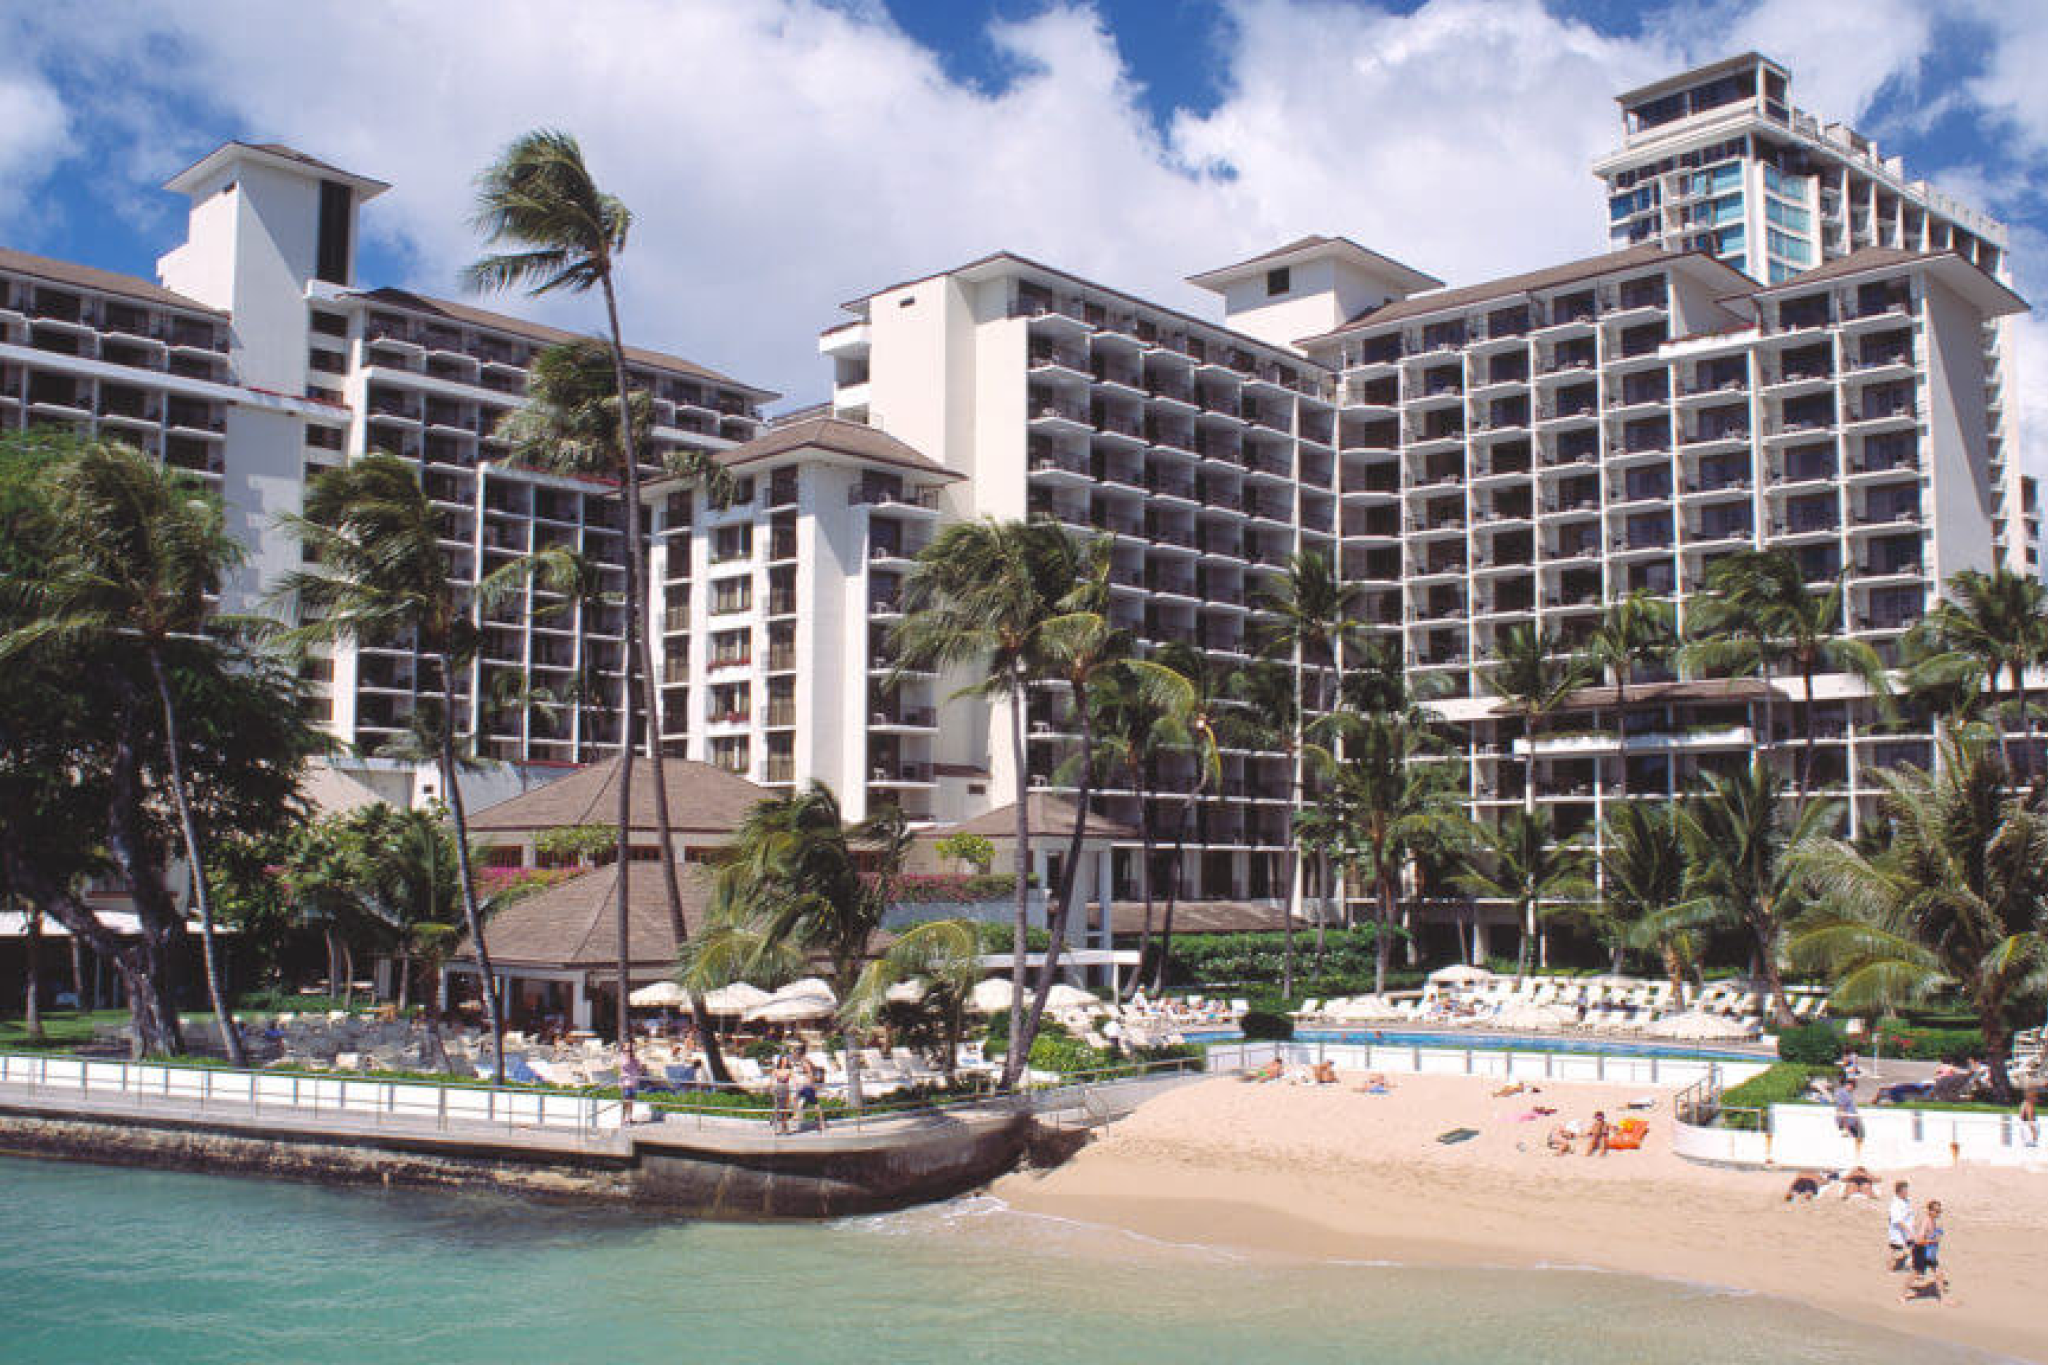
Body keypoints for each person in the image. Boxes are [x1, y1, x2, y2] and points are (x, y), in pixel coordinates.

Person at [1901, 1200, 1946, 1304]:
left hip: (1929, 1251)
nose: (1938, 1213)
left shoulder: (1933, 1221)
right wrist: (1932, 1240)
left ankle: (1943, 1299)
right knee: (1915, 1274)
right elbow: (1918, 1240)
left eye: (1939, 1211)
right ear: (1930, 1211)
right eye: (1936, 1211)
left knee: (1938, 1273)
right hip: (1920, 1250)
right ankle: (1902, 1296)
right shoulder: (1926, 1222)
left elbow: (1931, 1235)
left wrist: (1937, 1234)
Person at [1887, 1181, 1915, 1272]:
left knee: (1913, 1248)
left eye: (1907, 1190)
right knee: (1895, 1251)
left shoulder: (1907, 1200)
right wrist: (1909, 1231)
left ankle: (1910, 1268)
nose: (1907, 1192)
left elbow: (1909, 1214)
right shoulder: (1895, 1204)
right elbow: (1897, 1220)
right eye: (1905, 1191)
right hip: (1898, 1232)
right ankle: (1890, 1270)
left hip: (1907, 1231)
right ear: (1899, 1192)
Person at [768, 1054, 795, 1134]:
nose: (784, 1061)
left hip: (786, 1089)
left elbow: (794, 1079)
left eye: (786, 1060)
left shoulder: (789, 1070)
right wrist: (771, 1088)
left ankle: (785, 1128)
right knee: (777, 1107)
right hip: (778, 1089)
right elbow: (772, 1079)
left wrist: (796, 1088)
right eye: (783, 1060)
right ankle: (776, 1126)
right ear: (780, 1061)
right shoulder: (776, 1070)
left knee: (785, 1109)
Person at [1832, 1077, 1864, 1143]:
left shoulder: (1847, 1093)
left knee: (1860, 1138)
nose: (1853, 1089)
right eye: (1853, 1087)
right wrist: (1845, 1128)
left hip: (1852, 1122)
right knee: (1859, 1139)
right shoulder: (1842, 1093)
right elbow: (1841, 1110)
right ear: (1849, 1085)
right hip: (1848, 1124)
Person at [619, 1051, 645, 1124]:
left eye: (630, 1051)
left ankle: (629, 1118)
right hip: (626, 1084)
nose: (629, 1053)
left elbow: (639, 1069)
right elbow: (623, 1068)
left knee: (631, 1101)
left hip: (633, 1084)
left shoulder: (635, 1060)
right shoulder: (624, 1059)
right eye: (627, 1051)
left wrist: (640, 1068)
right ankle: (623, 1119)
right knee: (625, 1101)